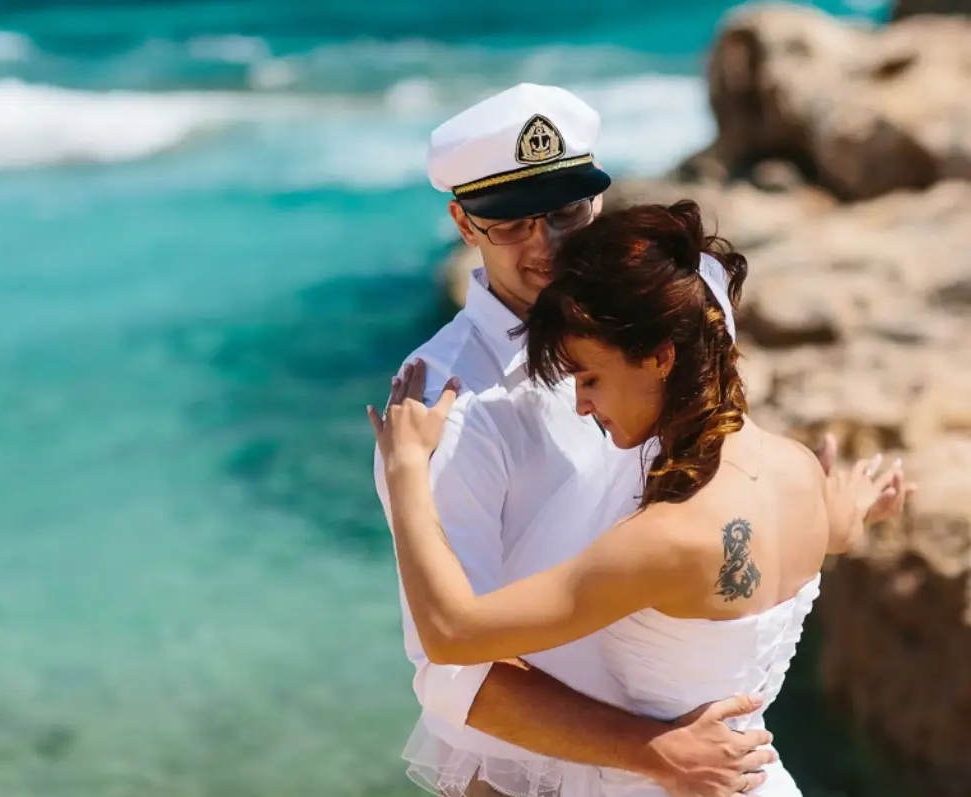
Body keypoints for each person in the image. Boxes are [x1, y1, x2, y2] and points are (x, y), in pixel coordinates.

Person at [370, 83, 898, 797]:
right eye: (511, 223)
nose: (546, 244)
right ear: (463, 222)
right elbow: (450, 665)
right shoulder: (447, 401)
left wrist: (829, 517)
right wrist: (652, 752)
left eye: (565, 212)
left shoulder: (662, 311)